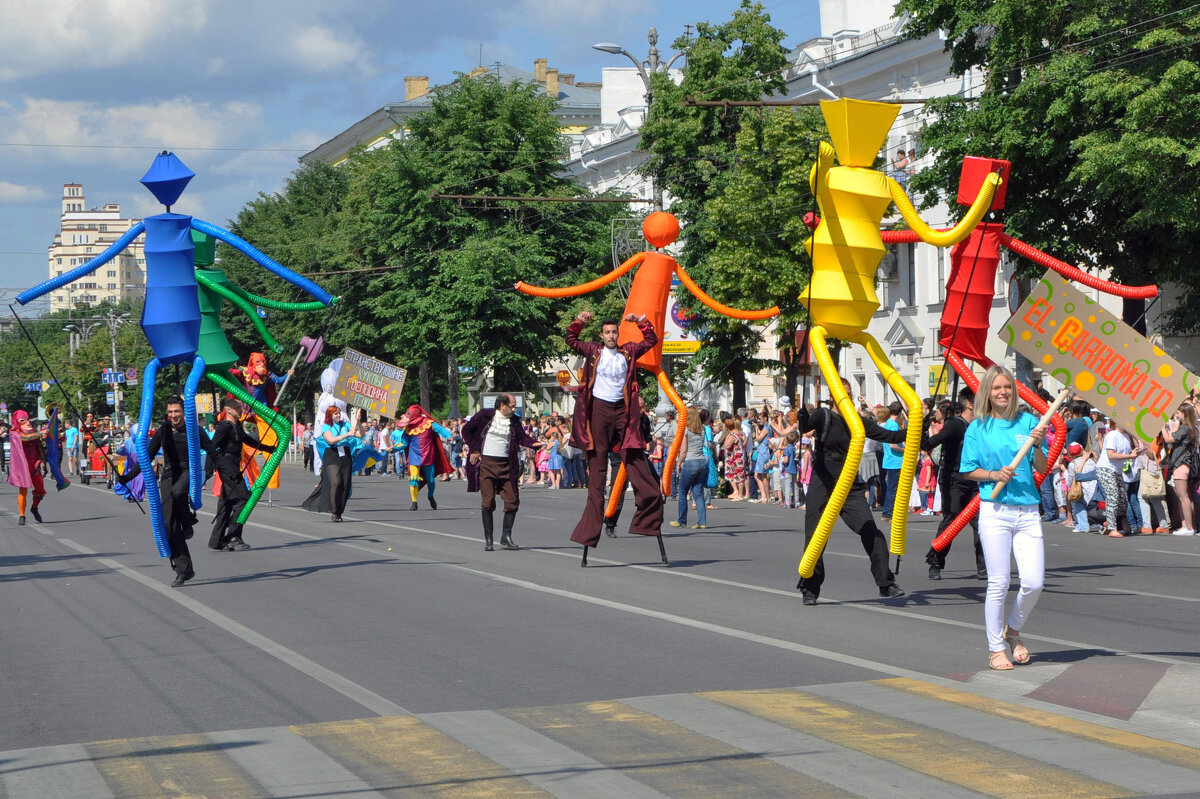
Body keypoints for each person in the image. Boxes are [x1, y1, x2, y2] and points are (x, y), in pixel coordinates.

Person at [959, 365, 1050, 670]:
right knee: (998, 582)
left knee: (1034, 582)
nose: (1002, 392)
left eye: (1007, 387)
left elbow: (1041, 465)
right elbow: (968, 469)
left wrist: (1037, 444)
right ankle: (995, 648)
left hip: (1027, 511)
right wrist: (994, 474)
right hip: (995, 511)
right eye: (997, 387)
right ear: (988, 391)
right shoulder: (978, 427)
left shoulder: (1028, 422)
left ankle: (1013, 630)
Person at [795, 379, 908, 605]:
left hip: (849, 484)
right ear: (833, 396)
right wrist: (802, 417)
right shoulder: (824, 415)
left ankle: (886, 584)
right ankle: (810, 588)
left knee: (871, 531)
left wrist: (914, 430)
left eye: (849, 393)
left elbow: (887, 436)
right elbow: (805, 427)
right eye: (841, 394)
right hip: (822, 481)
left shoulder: (857, 421)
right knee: (814, 536)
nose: (845, 397)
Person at [564, 309, 663, 562]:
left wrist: (640, 322)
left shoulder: (627, 351)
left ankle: (647, 516)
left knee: (633, 456)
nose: (610, 335)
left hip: (623, 410)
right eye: (607, 332)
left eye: (614, 332)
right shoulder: (593, 350)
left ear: (618, 334)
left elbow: (651, 341)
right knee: (597, 467)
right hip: (599, 409)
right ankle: (591, 527)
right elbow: (571, 340)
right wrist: (580, 321)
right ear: (602, 334)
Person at [120, 396, 218, 587]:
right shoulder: (163, 430)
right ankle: (184, 569)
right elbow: (147, 456)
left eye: (177, 411)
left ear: (184, 412)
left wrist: (210, 469)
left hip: (189, 471)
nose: (173, 415)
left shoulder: (195, 430)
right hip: (169, 474)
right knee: (167, 525)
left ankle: (188, 519)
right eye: (170, 412)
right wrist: (128, 477)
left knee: (177, 493)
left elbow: (212, 451)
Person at [463, 393, 542, 550]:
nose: (514, 409)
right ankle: (489, 540)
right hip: (486, 464)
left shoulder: (513, 421)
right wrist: (475, 449)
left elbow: (522, 438)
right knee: (488, 502)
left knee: (512, 501)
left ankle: (506, 536)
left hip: (506, 465)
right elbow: (466, 431)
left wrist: (536, 444)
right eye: (512, 406)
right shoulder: (485, 415)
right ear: (502, 405)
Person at [923, 389, 987, 581]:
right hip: (954, 479)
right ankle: (935, 562)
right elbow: (929, 443)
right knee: (951, 521)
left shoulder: (980, 425)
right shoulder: (955, 425)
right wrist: (923, 428)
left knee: (981, 524)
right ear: (969, 403)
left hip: (976, 479)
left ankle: (984, 567)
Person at [208, 398, 276, 551]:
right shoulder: (224, 427)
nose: (241, 410)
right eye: (238, 408)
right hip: (228, 467)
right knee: (244, 499)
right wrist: (209, 469)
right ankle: (233, 536)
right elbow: (212, 447)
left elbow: (248, 440)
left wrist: (268, 448)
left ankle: (216, 541)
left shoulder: (236, 425)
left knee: (226, 504)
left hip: (234, 465)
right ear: (229, 410)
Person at [302, 405, 363, 522]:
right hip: (332, 455)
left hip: (345, 454)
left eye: (339, 413)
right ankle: (334, 512)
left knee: (344, 485)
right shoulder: (326, 426)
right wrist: (347, 435)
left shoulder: (346, 425)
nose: (338, 415)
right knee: (336, 482)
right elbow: (330, 440)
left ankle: (339, 512)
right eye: (336, 414)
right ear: (330, 415)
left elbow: (360, 435)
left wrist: (358, 421)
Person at [398, 404, 453, 510]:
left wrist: (448, 436)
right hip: (414, 457)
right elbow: (404, 443)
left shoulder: (428, 423)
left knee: (431, 480)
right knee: (413, 479)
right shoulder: (408, 427)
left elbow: (440, 429)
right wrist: (393, 448)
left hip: (428, 456)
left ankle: (430, 496)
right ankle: (414, 502)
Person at [1095, 417, 1136, 536]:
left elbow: (1126, 453)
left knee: (1123, 500)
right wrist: (1130, 456)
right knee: (1112, 496)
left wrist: (1135, 453)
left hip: (1117, 471)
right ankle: (1112, 528)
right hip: (1105, 469)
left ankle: (1111, 521)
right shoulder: (1112, 435)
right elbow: (1111, 454)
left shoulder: (1126, 437)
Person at [1161, 403, 1197, 535]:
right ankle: (1186, 525)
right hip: (1181, 464)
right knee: (1183, 497)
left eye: (1178, 413)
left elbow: (1169, 438)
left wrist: (1163, 427)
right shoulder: (1187, 428)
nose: (1176, 415)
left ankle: (1189, 526)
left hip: (1181, 464)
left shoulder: (1185, 428)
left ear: (1184, 414)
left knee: (1184, 497)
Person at [670, 406, 709, 530]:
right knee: (698, 493)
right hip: (702, 461)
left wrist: (679, 463)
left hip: (690, 461)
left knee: (682, 491)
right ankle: (702, 522)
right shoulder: (702, 429)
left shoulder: (686, 429)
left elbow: (684, 450)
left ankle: (682, 520)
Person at [7, 410, 48, 524]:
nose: (28, 422)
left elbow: (39, 446)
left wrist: (43, 461)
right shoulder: (14, 432)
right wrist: (40, 433)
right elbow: (24, 438)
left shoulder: (34, 432)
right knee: (23, 491)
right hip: (23, 467)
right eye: (23, 420)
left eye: (28, 419)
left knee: (40, 490)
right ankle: (22, 515)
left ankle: (34, 508)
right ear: (17, 422)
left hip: (35, 465)